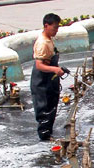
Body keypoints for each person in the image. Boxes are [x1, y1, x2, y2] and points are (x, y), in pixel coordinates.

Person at [30, 13, 65, 141]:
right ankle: (44, 136)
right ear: (46, 25)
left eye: (57, 27)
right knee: (44, 108)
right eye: (54, 27)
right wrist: (55, 69)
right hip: (41, 81)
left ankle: (48, 132)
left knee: (51, 105)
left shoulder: (49, 38)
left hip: (49, 78)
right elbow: (39, 65)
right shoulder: (42, 43)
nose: (56, 30)